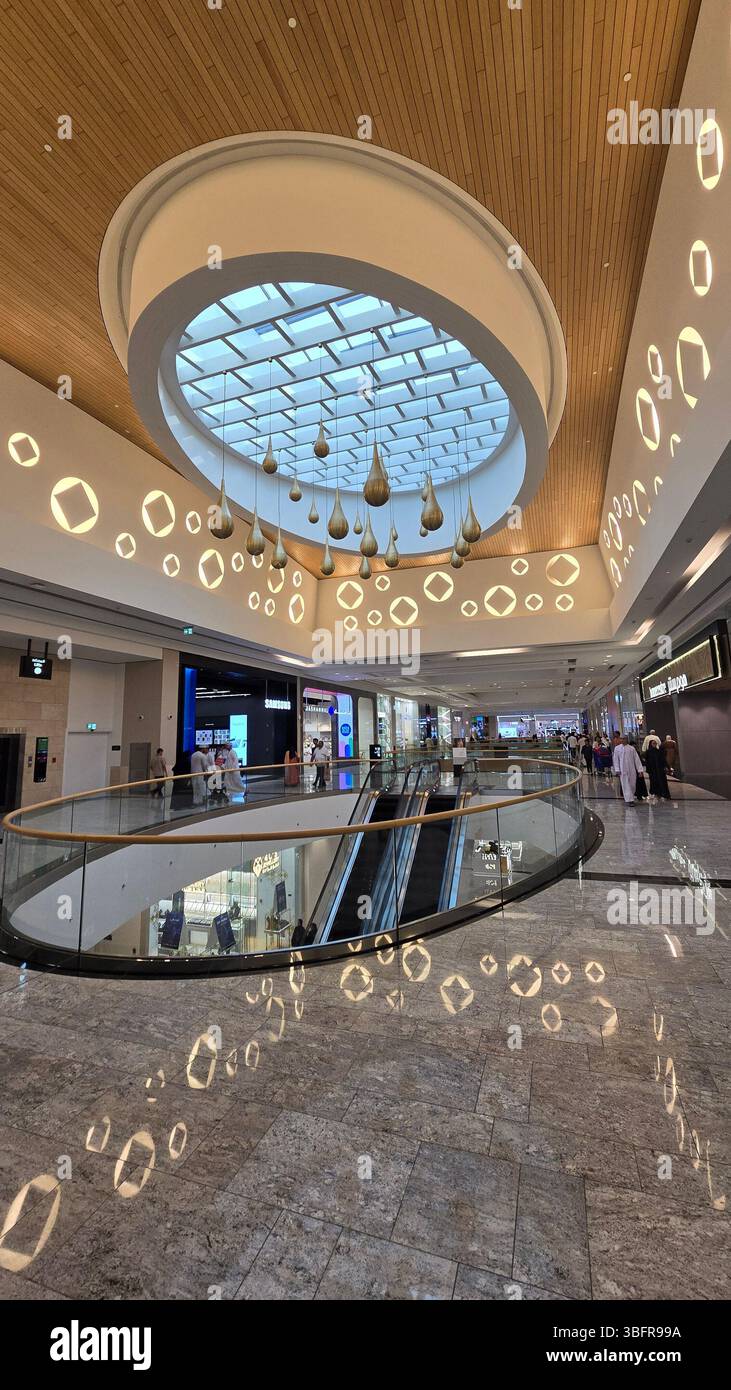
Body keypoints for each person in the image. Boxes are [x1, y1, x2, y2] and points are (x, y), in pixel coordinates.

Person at [612, 735, 644, 804]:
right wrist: (617, 769)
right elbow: (615, 760)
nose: (623, 740)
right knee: (625, 784)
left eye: (624, 739)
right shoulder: (617, 748)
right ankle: (630, 800)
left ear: (627, 739)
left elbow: (636, 759)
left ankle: (631, 796)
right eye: (621, 739)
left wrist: (640, 770)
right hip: (623, 770)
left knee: (632, 784)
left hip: (632, 769)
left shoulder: (631, 748)